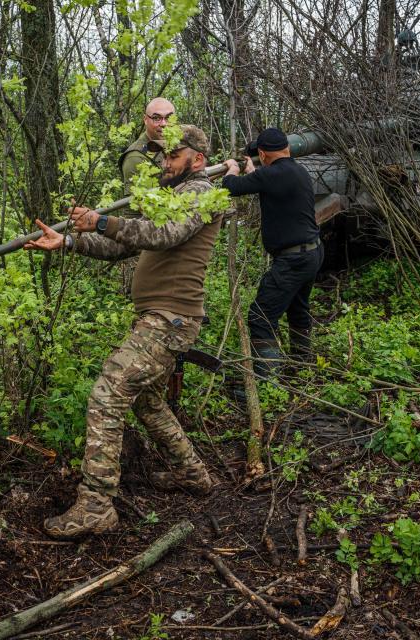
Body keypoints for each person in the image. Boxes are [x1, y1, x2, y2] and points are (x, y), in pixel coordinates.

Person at [24, 125, 226, 539]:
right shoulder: (171, 196)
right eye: (162, 156)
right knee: (147, 400)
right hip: (160, 317)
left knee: (108, 393)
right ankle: (193, 474)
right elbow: (124, 245)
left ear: (198, 159)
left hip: (171, 319)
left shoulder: (200, 193)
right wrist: (68, 242)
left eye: (172, 156)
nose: (164, 163)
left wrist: (101, 221)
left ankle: (96, 505)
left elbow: (159, 235)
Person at [222, 127, 322, 374]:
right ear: (287, 148)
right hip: (312, 253)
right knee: (298, 309)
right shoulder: (297, 170)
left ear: (263, 154)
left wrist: (232, 170)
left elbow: (231, 187)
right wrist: (255, 173)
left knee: (261, 316)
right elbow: (269, 183)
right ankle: (302, 365)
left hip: (293, 260)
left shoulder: (271, 176)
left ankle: (267, 381)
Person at [118, 97, 176, 193]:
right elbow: (138, 204)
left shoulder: (179, 142)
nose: (164, 124)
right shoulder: (135, 157)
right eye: (156, 118)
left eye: (169, 118)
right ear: (145, 119)